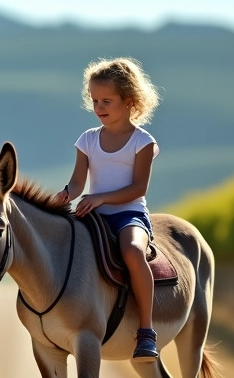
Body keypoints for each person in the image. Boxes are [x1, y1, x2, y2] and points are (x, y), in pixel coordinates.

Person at [55, 57, 161, 361]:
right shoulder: (87, 140)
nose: (99, 107)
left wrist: (99, 198)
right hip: (94, 214)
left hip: (129, 214)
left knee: (132, 252)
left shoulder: (142, 141)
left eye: (107, 101)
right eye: (94, 100)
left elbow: (138, 189)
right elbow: (77, 184)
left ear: (129, 101)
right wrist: (66, 195)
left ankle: (146, 331)